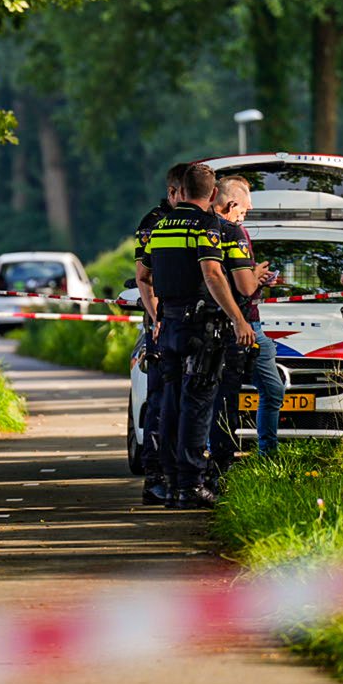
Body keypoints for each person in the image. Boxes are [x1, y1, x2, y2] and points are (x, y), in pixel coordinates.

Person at [142, 162, 254, 510]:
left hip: (169, 325)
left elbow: (143, 275)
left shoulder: (160, 225)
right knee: (198, 405)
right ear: (211, 192)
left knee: (172, 402)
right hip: (199, 327)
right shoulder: (207, 225)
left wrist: (156, 314)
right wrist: (238, 319)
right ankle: (191, 484)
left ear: (183, 189)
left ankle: (173, 482)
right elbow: (213, 275)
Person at [209, 176, 284, 475]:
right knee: (254, 392)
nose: (246, 214)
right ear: (231, 203)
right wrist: (255, 274)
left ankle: (216, 460)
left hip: (225, 323)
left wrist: (255, 278)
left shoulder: (206, 230)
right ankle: (264, 456)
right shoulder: (233, 232)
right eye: (245, 209)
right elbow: (242, 286)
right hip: (243, 323)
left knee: (217, 395)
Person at [133, 163, 188, 505]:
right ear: (172, 193)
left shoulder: (198, 219)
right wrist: (157, 319)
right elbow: (144, 277)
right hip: (163, 324)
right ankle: (156, 478)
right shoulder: (153, 223)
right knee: (159, 401)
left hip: (187, 325)